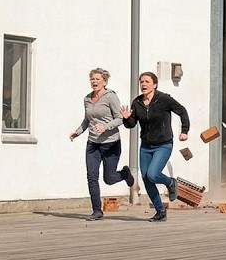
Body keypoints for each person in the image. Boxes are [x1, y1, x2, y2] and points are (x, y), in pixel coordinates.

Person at [121, 71, 190, 222]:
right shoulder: (137, 102)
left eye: (147, 82)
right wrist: (126, 118)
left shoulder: (163, 99)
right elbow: (132, 124)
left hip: (163, 144)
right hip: (145, 146)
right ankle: (160, 211)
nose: (143, 84)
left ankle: (171, 182)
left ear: (155, 84)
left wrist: (184, 131)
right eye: (141, 82)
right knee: (146, 179)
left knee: (153, 174)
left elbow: (182, 111)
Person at [69, 68, 135, 220]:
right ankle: (97, 211)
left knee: (109, 179)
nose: (94, 81)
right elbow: (87, 120)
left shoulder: (110, 97)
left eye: (98, 79)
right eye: (92, 79)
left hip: (111, 144)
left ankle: (125, 174)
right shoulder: (86, 99)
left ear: (105, 82)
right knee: (92, 177)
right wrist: (78, 132)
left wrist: (105, 127)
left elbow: (120, 119)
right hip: (93, 144)